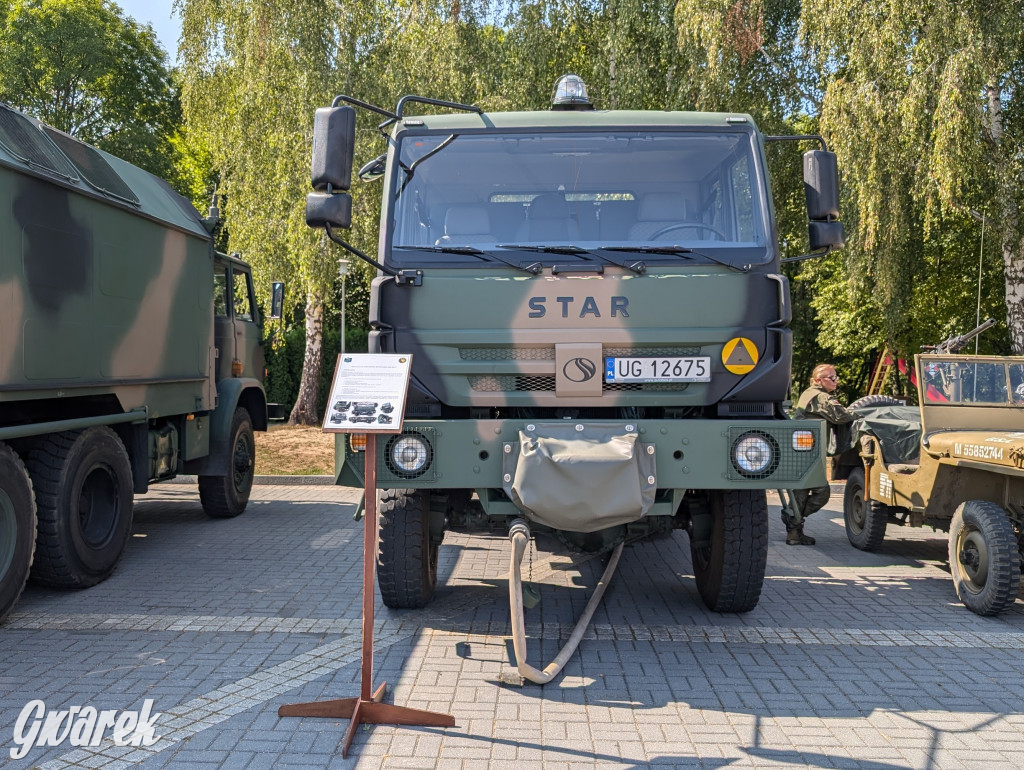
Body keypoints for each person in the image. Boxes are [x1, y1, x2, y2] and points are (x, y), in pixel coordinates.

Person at [787, 364, 856, 545]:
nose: (835, 381)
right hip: (807, 454)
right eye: (830, 378)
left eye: (836, 377)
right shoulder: (821, 396)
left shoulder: (809, 393)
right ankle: (792, 520)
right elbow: (841, 416)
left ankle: (794, 530)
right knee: (822, 493)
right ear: (818, 380)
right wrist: (861, 413)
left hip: (802, 452)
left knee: (801, 493)